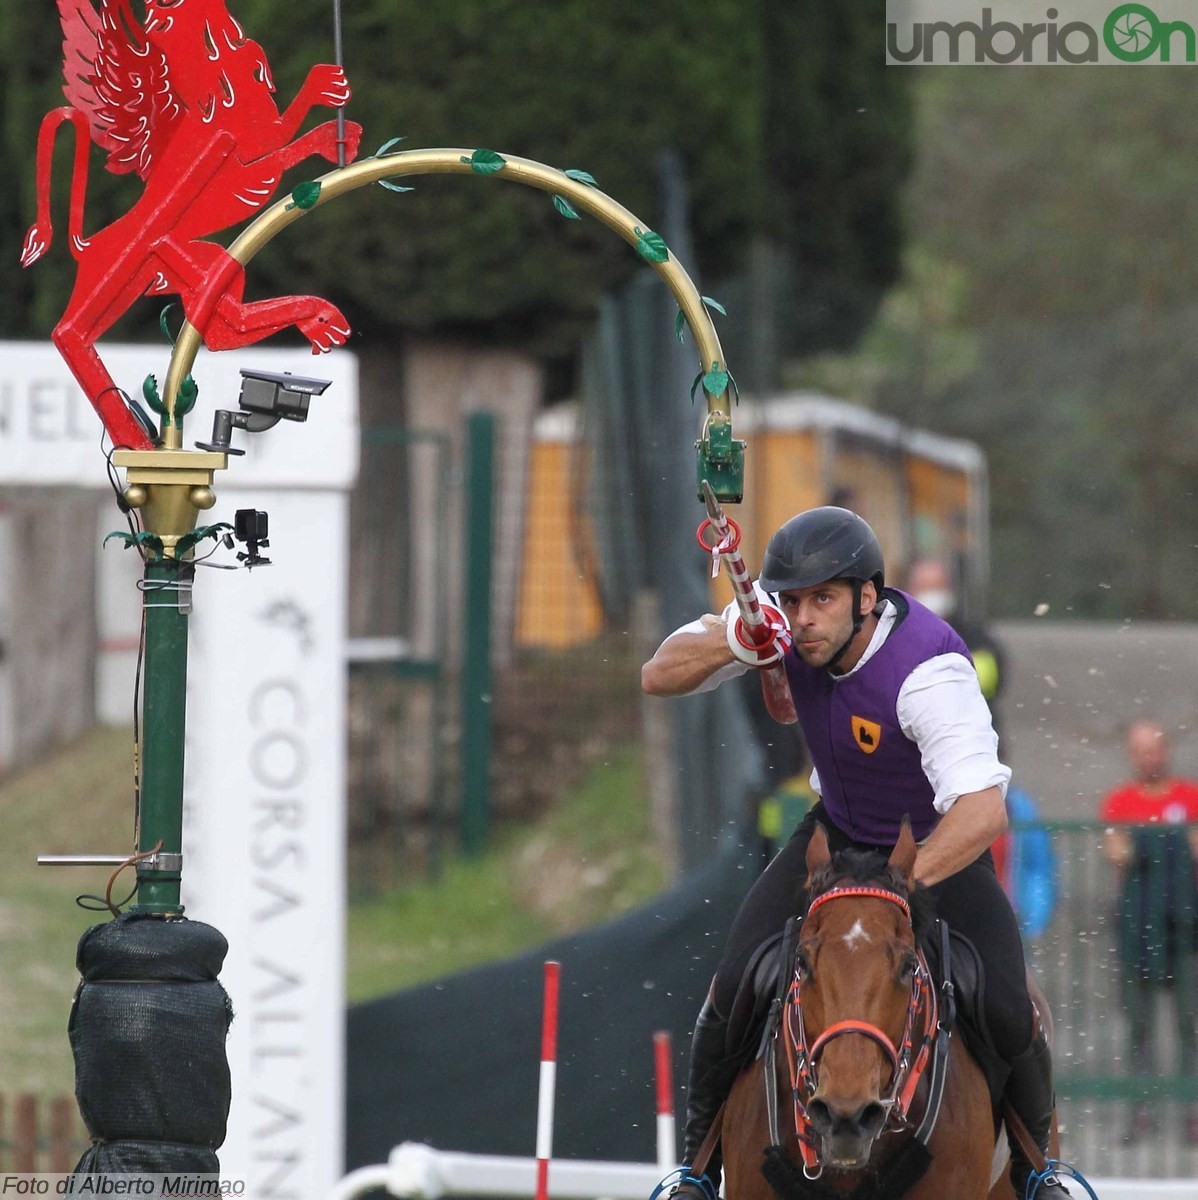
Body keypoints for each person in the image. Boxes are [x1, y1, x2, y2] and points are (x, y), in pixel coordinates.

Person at [641, 506, 1068, 1197]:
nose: (803, 618)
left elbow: (982, 811)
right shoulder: (778, 625)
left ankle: (1035, 1174)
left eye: (823, 600)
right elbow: (657, 675)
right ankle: (698, 1170)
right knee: (730, 990)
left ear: (867, 598)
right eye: (793, 601)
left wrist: (904, 887)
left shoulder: (930, 671)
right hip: (835, 836)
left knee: (1011, 1006)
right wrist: (741, 643)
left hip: (937, 849)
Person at [1100, 719, 1198, 1145]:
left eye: (1153, 749)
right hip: (1137, 930)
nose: (1148, 758)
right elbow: (1115, 851)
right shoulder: (1120, 801)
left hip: (1185, 928)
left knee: (1189, 1025)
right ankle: (1141, 1111)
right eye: (1140, 750)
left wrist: (1148, 843)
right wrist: (1166, 842)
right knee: (1139, 1027)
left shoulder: (1189, 796)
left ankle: (1191, 1112)